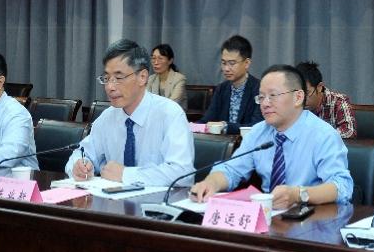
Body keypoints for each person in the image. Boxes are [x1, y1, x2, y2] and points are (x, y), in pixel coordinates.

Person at [190, 64, 354, 209]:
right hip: (269, 217)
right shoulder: (258, 133)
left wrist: (298, 194)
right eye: (261, 97)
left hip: (311, 218)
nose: (265, 103)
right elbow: (231, 170)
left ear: (298, 97)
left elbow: (342, 186)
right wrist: (211, 183)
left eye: (273, 95)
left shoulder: (323, 135)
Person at [64, 39, 193, 186]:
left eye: (118, 78)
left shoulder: (170, 114)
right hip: (110, 199)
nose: (110, 87)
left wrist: (126, 174)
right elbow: (82, 153)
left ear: (142, 77)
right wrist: (79, 166)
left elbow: (183, 174)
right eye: (106, 78)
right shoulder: (107, 117)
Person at [200, 35, 263, 134]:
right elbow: (207, 120)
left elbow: (256, 126)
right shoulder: (221, 89)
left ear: (247, 63)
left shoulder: (259, 89)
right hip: (223, 142)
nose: (226, 69)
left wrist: (226, 126)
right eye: (224, 63)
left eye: (232, 63)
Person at [296, 60, 357, 139]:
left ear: (319, 87)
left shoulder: (338, 101)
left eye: (307, 93)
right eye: (298, 94)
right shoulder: (293, 103)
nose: (302, 99)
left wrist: (317, 136)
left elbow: (349, 131)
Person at [148, 43, 187, 110]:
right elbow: (146, 101)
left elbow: (172, 104)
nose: (156, 62)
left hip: (174, 114)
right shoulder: (151, 79)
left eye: (160, 58)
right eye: (153, 58)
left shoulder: (179, 79)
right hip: (154, 114)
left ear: (170, 61)